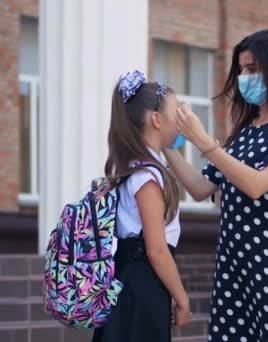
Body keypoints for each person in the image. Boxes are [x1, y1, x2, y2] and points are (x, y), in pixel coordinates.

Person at [164, 29, 268, 341]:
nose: (244, 77)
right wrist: (163, 145)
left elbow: (258, 185)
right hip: (233, 268)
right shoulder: (244, 131)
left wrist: (203, 141)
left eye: (252, 69)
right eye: (240, 70)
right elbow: (200, 188)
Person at [92, 70, 192, 342]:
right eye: (176, 113)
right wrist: (181, 297)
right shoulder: (146, 176)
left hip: (134, 282)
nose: (181, 120)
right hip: (139, 287)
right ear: (157, 120)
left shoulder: (137, 167)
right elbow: (157, 250)